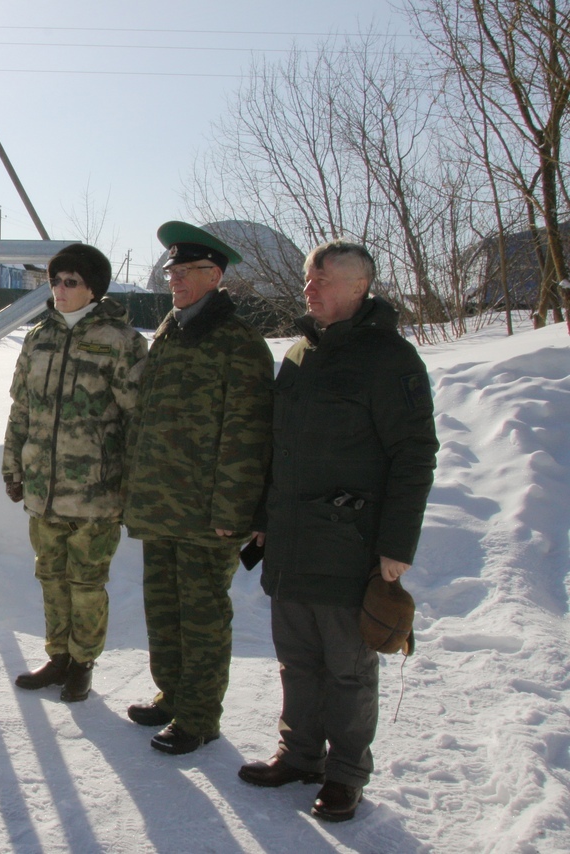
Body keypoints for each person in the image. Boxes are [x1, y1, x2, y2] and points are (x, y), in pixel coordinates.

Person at [238, 239, 438, 823]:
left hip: (351, 543)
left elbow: (414, 455)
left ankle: (347, 773)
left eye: (324, 279)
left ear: (360, 286)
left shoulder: (390, 358)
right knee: (297, 659)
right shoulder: (299, 353)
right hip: (292, 538)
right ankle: (300, 754)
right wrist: (264, 520)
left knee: (348, 669)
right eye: (308, 278)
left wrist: (396, 547)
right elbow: (278, 447)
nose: (311, 287)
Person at [122, 221, 274, 754]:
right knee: (163, 609)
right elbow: (146, 417)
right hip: (161, 504)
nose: (176, 279)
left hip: (208, 513)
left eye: (188, 271)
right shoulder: (169, 331)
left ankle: (200, 716)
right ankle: (172, 695)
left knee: (203, 615)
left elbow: (248, 434)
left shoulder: (239, 342)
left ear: (216, 276)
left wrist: (234, 511)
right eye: (172, 271)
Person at [3, 242, 147, 703]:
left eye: (71, 282)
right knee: (51, 578)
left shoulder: (121, 341)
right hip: (43, 488)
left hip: (94, 493)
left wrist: (131, 485)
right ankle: (58, 657)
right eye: (55, 281)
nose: (60, 290)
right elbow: (21, 408)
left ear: (93, 289)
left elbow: (137, 419)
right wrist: (13, 464)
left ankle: (83, 663)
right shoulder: (38, 337)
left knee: (86, 585)